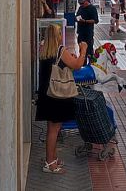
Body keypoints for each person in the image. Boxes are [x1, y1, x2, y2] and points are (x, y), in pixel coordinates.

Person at [37, 24, 88, 174]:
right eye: (60, 33)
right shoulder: (60, 50)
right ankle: (50, 163)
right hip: (57, 95)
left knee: (51, 129)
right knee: (54, 130)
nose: (61, 36)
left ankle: (52, 157)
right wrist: (83, 50)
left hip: (47, 94)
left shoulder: (44, 49)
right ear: (57, 36)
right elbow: (77, 65)